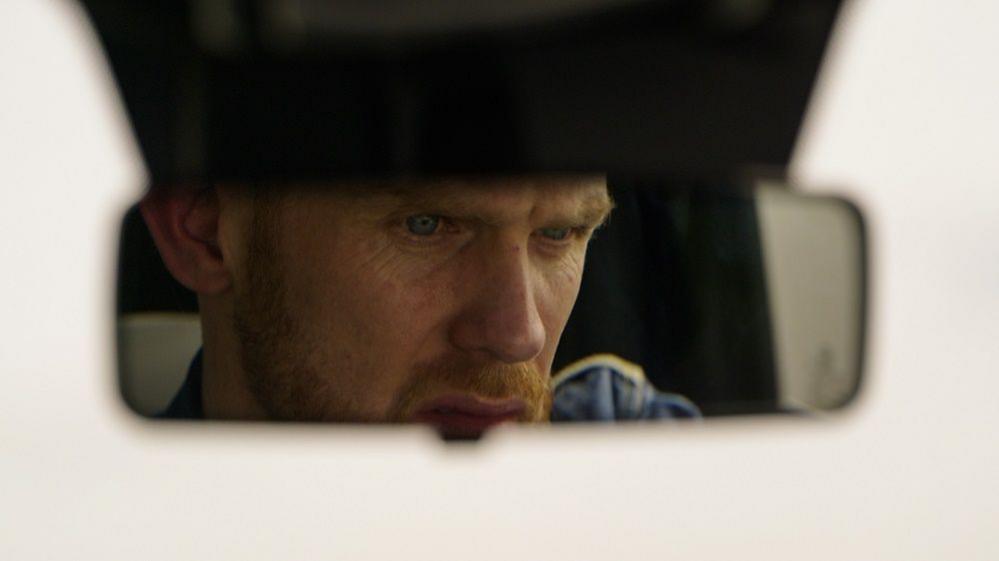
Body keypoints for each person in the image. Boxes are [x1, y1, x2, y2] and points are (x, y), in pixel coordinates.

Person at [141, 175, 698, 437]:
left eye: (558, 232)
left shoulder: (633, 444)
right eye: (424, 225)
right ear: (206, 235)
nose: (519, 334)